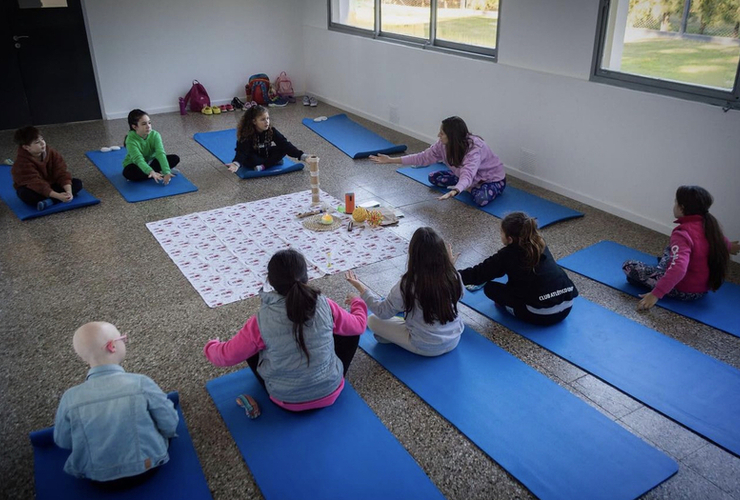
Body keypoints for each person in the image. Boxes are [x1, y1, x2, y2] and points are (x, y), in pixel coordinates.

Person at [204, 249, 367, 411]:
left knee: (252, 345)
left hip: (287, 400)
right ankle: (325, 377)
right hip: (331, 390)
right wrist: (357, 303)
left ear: (270, 281)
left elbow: (227, 356)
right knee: (348, 330)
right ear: (306, 277)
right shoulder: (325, 304)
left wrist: (211, 346)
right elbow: (359, 324)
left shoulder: (261, 320)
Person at [54, 322, 178, 487]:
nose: (124, 341)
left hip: (97, 477)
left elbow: (63, 441)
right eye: (123, 338)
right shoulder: (141, 383)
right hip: (147, 467)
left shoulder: (70, 397)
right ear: (112, 346)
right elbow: (169, 423)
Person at [346, 227, 464, 356]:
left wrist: (360, 290)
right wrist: (450, 267)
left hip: (426, 346)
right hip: (454, 340)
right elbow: (459, 295)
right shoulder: (454, 275)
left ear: (413, 254)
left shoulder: (409, 283)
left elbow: (383, 312)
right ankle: (394, 337)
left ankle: (395, 338)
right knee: (408, 312)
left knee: (372, 321)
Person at [622, 185, 739, 310]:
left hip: (684, 290)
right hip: (702, 290)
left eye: (675, 202)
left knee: (628, 266)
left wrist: (656, 294)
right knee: (670, 249)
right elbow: (720, 242)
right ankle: (664, 270)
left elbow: (679, 268)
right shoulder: (709, 225)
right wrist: (730, 246)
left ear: (682, 208)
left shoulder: (682, 233)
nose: (674, 205)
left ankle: (661, 280)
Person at [459, 212, 578, 326]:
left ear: (509, 239)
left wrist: (450, 275)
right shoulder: (540, 244)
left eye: (501, 232)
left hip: (542, 315)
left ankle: (512, 308)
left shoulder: (507, 254)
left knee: (490, 288)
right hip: (567, 305)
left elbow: (478, 274)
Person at [370, 116, 506, 207]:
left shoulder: (475, 148)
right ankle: (467, 186)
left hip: (491, 179)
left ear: (452, 136)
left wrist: (457, 190)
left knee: (480, 199)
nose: (438, 136)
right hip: (467, 177)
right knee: (433, 177)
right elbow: (422, 158)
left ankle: (468, 187)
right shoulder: (442, 145)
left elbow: (468, 173)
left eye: (441, 133)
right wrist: (391, 160)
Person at [11, 126, 83, 211]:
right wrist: (58, 196)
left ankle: (49, 202)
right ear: (26, 147)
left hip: (51, 184)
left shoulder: (51, 153)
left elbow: (61, 172)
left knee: (77, 183)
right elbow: (35, 183)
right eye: (37, 142)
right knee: (25, 194)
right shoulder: (22, 163)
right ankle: (55, 199)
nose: (42, 143)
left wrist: (69, 192)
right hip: (34, 188)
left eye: (42, 139)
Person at [225, 105, 310, 173]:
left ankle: (264, 166)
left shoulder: (271, 131)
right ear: (254, 121)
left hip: (266, 153)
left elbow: (285, 144)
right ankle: (272, 162)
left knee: (283, 149)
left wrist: (302, 156)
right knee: (250, 158)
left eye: (267, 118)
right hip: (253, 157)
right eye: (262, 119)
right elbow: (242, 152)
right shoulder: (246, 134)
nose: (267, 122)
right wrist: (236, 164)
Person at [122, 109, 180, 185]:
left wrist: (166, 171)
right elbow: (138, 159)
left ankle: (155, 173)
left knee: (175, 158)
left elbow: (160, 153)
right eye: (143, 124)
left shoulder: (155, 135)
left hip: (151, 161)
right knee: (128, 173)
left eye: (149, 123)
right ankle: (155, 173)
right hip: (136, 164)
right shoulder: (130, 140)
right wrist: (151, 171)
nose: (148, 126)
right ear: (135, 126)